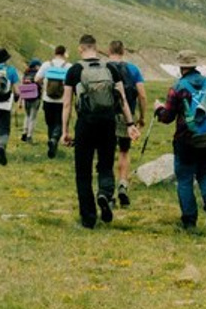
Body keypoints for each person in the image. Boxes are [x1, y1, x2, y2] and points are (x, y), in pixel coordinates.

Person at [61, 35, 140, 228]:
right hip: (108, 123)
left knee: (83, 172)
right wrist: (130, 124)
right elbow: (121, 98)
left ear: (81, 49)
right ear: (96, 48)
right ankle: (104, 194)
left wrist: (65, 131)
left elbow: (67, 104)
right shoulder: (110, 68)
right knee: (105, 165)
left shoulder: (75, 70)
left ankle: (88, 218)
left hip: (85, 125)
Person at [156, 51, 206, 230]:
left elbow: (167, 117)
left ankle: (189, 220)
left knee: (185, 179)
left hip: (185, 141)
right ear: (195, 65)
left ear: (181, 67)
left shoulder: (177, 88)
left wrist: (158, 110)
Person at [107, 40, 147, 207]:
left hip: (106, 116)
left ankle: (107, 190)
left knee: (106, 153)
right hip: (127, 115)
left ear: (109, 51)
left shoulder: (103, 68)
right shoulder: (133, 69)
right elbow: (142, 95)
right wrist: (141, 117)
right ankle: (123, 183)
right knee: (124, 151)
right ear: (123, 51)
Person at [40, 46, 71, 158]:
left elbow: (37, 79)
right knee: (59, 122)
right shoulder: (68, 66)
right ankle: (54, 140)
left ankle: (51, 142)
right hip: (62, 100)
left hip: (47, 99)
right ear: (64, 53)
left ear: (55, 52)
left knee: (50, 123)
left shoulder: (46, 65)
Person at [18, 58, 43, 143]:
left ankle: (24, 132)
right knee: (33, 117)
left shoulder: (25, 74)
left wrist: (20, 101)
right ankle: (29, 136)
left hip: (26, 98)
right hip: (35, 98)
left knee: (27, 115)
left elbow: (22, 87)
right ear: (36, 66)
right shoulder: (38, 75)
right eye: (39, 65)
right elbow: (42, 86)